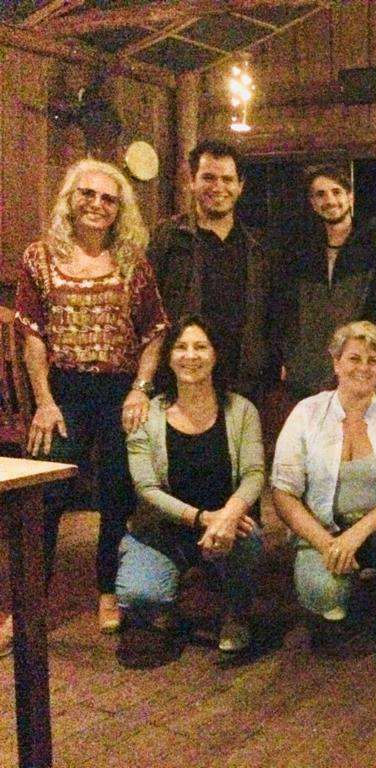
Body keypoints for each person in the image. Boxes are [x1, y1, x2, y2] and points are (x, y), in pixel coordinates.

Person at [13, 158, 168, 639]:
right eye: (88, 194)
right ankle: (26, 605)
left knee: (118, 492)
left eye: (108, 198)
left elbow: (155, 331)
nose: (97, 204)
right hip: (62, 392)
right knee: (45, 493)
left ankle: (108, 590)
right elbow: (32, 335)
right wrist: (43, 400)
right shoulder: (39, 258)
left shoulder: (132, 262)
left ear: (120, 209)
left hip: (119, 391)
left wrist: (140, 389)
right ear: (70, 198)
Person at [271, 320, 376, 649]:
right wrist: (327, 543)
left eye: (373, 361)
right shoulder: (306, 412)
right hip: (324, 531)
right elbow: (283, 492)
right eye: (354, 358)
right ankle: (342, 581)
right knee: (324, 595)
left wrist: (357, 534)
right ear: (336, 363)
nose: (363, 367)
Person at [115, 315, 264, 667]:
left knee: (249, 540)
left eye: (200, 347)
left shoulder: (241, 410)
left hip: (225, 528)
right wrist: (202, 518)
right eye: (181, 347)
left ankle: (236, 613)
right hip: (161, 531)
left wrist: (228, 515)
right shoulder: (146, 414)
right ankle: (166, 603)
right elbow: (146, 488)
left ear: (215, 355)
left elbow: (254, 474)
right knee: (140, 595)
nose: (190, 355)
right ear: (168, 358)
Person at [148, 139, 275, 403]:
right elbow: (148, 311)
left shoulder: (260, 246)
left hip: (244, 385)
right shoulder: (167, 237)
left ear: (240, 186)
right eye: (208, 178)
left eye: (227, 179)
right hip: (180, 381)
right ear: (191, 181)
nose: (218, 187)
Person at [274, 163, 376, 398]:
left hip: (357, 369)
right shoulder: (297, 249)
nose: (330, 200)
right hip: (305, 374)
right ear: (313, 203)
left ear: (350, 197)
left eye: (336, 192)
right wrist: (287, 357)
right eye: (320, 194)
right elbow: (285, 309)